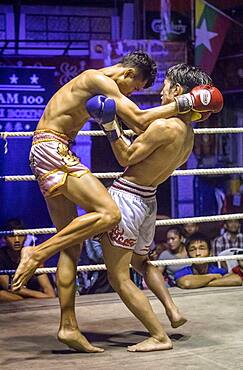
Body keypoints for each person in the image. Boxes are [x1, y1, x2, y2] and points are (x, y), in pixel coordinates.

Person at [12, 51, 204, 353]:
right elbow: (141, 120)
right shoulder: (97, 79)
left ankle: (68, 327)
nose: (131, 95)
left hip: (54, 150)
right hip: (53, 149)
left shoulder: (106, 86)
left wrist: (179, 110)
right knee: (108, 213)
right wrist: (186, 105)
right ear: (128, 75)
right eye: (135, 88)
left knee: (71, 243)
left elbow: (141, 128)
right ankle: (36, 254)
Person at [90, 63, 224, 351]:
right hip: (148, 199)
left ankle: (158, 335)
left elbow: (126, 157)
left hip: (128, 199)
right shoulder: (188, 134)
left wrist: (109, 125)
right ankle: (172, 310)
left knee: (118, 276)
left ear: (177, 90)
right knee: (141, 262)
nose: (161, 89)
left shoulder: (164, 125)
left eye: (166, 84)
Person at [0, 219, 56, 301]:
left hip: (31, 297)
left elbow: (50, 292)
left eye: (20, 235)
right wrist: (38, 296)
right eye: (12, 236)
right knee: (2, 295)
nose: (17, 240)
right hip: (15, 297)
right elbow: (8, 287)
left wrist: (42, 296)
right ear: (4, 238)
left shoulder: (32, 255)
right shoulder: (1, 256)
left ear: (26, 237)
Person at [175, 232, 242, 289]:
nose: (197, 253)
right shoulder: (182, 272)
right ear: (188, 254)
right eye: (192, 250)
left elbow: (237, 280)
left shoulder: (217, 271)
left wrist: (199, 283)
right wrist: (213, 276)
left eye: (202, 248)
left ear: (210, 253)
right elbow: (187, 283)